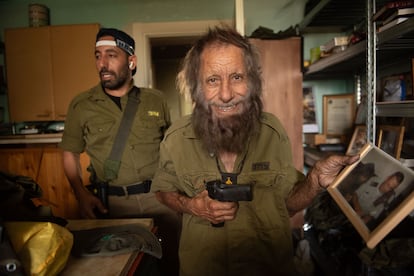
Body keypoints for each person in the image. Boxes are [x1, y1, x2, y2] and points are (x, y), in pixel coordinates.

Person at [150, 26, 359, 276]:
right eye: (213, 80)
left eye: (237, 77)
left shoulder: (272, 131)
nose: (226, 94)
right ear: (197, 86)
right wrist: (192, 205)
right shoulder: (176, 137)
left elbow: (288, 204)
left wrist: (314, 181)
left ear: (252, 81)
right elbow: (163, 191)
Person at [59, 28, 181, 275]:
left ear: (131, 61)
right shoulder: (81, 105)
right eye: (97, 55)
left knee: (170, 263)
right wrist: (80, 194)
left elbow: (173, 148)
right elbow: (69, 152)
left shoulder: (156, 100)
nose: (102, 63)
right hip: (113, 206)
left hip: (160, 200)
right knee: (124, 268)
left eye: (111, 55)